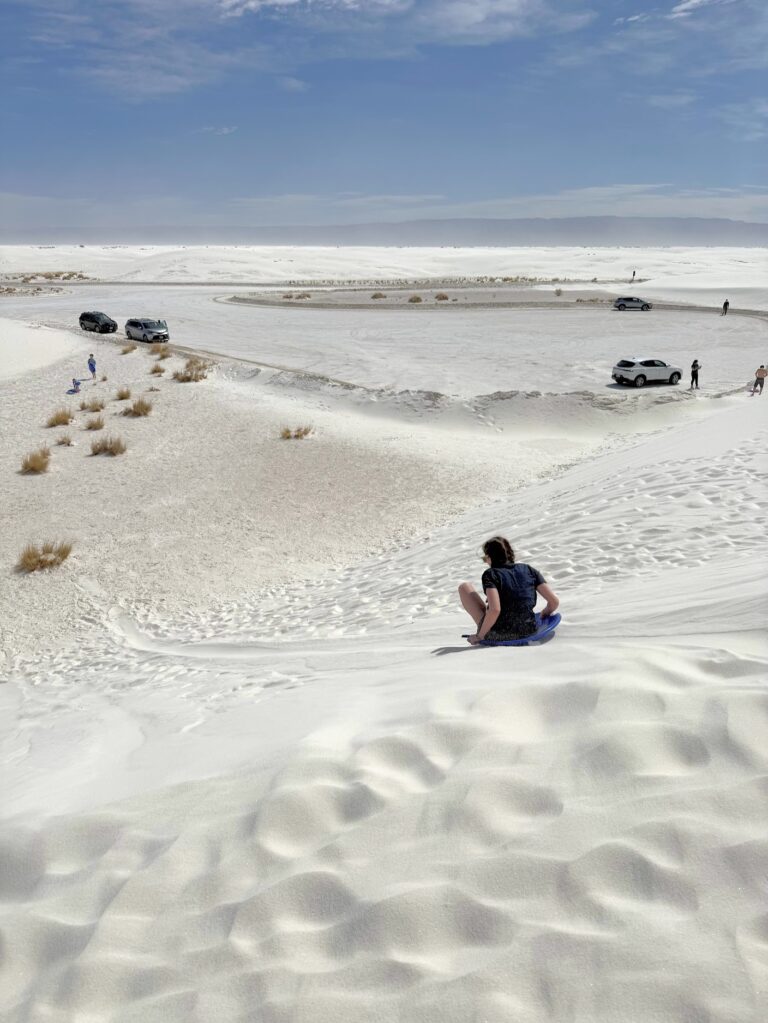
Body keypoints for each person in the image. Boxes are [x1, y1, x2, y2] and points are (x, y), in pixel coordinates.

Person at [458, 536, 559, 644]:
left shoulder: (491, 574)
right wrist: (545, 613)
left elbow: (495, 610)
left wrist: (480, 636)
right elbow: (554, 602)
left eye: (484, 558)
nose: (485, 562)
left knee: (464, 587)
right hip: (529, 630)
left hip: (500, 634)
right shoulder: (529, 569)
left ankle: (484, 630)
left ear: (489, 557)